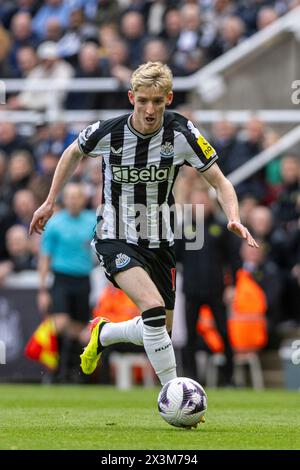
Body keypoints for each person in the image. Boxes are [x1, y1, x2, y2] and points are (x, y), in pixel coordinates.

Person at [30, 61, 258, 388]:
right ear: (131, 98)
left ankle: (105, 332)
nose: (150, 109)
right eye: (142, 101)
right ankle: (174, 392)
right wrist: (50, 201)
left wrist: (233, 216)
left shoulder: (182, 133)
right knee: (151, 307)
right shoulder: (108, 131)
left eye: (157, 101)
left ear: (169, 98)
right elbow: (72, 153)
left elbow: (220, 182)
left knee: (160, 329)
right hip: (115, 234)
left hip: (161, 240)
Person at [37, 182, 95, 382]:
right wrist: (43, 289)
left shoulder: (92, 221)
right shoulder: (55, 223)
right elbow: (45, 256)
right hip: (61, 277)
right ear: (65, 199)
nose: (73, 200)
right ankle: (54, 369)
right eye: (69, 196)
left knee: (80, 329)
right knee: (61, 322)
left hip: (83, 279)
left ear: (83, 199)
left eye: (77, 196)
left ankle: (71, 371)